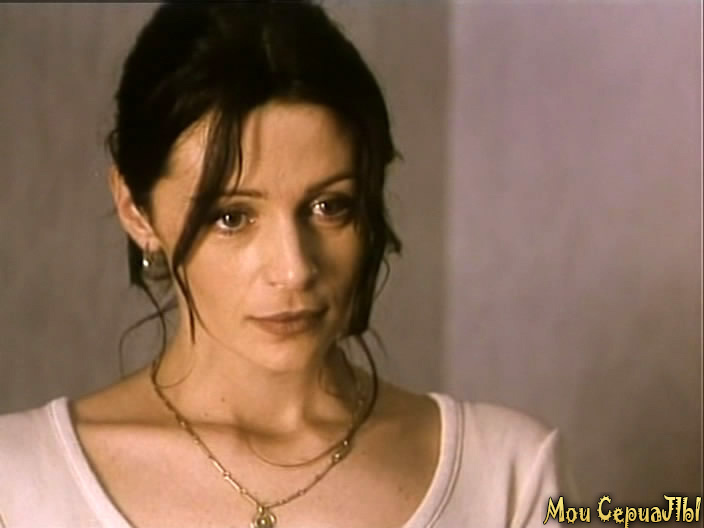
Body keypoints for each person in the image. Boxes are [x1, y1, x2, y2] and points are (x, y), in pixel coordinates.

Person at [0, 2, 571, 527]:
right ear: (136, 211)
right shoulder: (18, 482)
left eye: (330, 207)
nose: (294, 269)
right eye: (232, 217)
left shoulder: (508, 475)